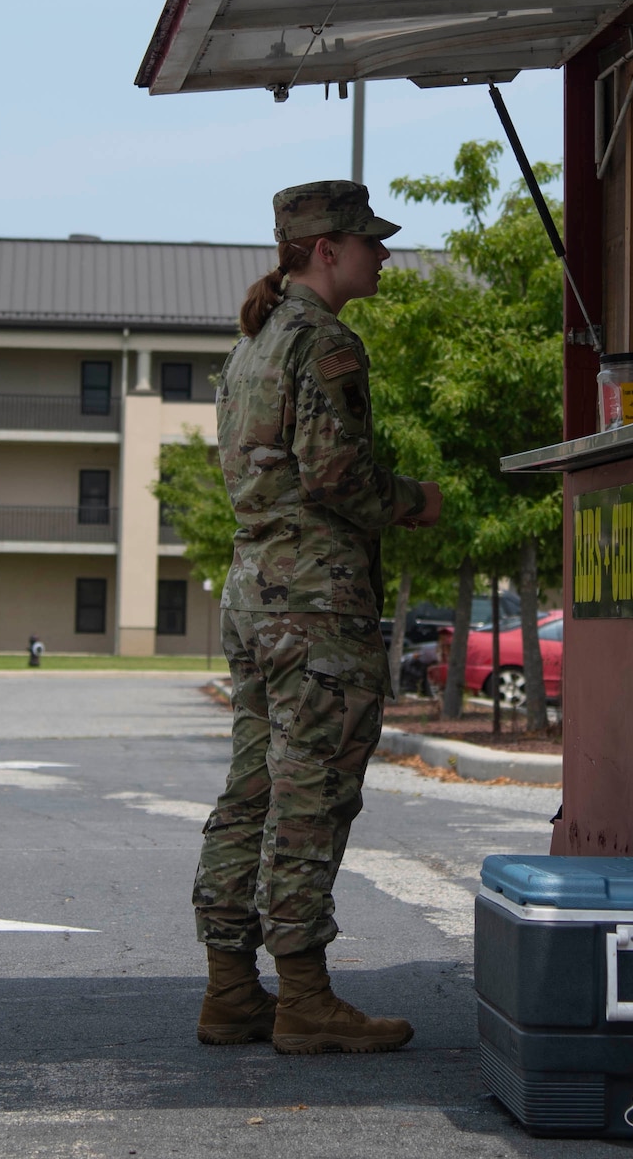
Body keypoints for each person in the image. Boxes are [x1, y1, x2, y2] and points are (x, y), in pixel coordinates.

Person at [192, 180, 442, 1055]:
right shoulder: (325, 342)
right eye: (369, 242)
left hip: (255, 587)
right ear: (326, 250)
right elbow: (339, 477)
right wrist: (417, 501)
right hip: (315, 598)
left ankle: (230, 987)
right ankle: (303, 996)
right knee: (313, 793)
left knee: (255, 787)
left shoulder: (254, 341)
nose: (383, 254)